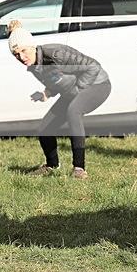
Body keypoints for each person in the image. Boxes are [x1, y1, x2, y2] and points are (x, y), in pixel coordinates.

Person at [8, 21, 111, 179]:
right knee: (44, 129)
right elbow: (58, 80)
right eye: (16, 54)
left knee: (73, 111)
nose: (21, 57)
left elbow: (93, 67)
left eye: (23, 50)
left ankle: (79, 169)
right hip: (73, 91)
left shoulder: (56, 53)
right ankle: (52, 166)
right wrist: (45, 94)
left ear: (32, 46)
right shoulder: (34, 65)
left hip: (98, 84)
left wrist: (78, 90)